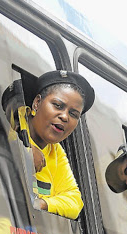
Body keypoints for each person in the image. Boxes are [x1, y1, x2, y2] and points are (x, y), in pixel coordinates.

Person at [7, 70, 95, 220]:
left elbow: (75, 202)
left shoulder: (56, 152)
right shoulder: (11, 120)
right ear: (37, 103)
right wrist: (22, 151)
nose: (65, 116)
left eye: (73, 114)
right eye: (58, 105)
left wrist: (41, 204)